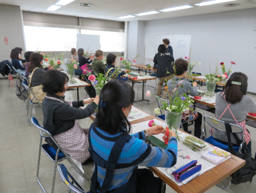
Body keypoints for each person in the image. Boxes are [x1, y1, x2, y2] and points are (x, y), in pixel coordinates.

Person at [89, 80, 177, 192]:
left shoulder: (94, 128)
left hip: (99, 185)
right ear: (123, 109)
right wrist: (172, 137)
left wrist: (146, 132)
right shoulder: (131, 147)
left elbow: (119, 144)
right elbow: (170, 159)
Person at [42, 70, 99, 163]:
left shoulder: (48, 98)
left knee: (92, 131)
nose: (67, 86)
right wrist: (95, 103)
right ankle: (88, 156)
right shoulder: (59, 107)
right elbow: (84, 113)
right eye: (65, 84)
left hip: (58, 133)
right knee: (97, 134)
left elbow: (68, 104)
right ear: (57, 86)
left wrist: (84, 101)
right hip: (66, 139)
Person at [215, 72, 256, 152]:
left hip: (217, 134)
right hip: (235, 140)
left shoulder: (218, 95)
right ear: (244, 86)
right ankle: (246, 160)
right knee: (247, 134)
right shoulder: (246, 100)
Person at [167, 58, 202, 138]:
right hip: (181, 114)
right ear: (185, 71)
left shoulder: (169, 81)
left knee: (186, 108)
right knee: (199, 115)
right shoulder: (185, 83)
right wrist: (195, 86)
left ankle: (186, 130)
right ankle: (197, 137)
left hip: (172, 111)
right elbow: (194, 93)